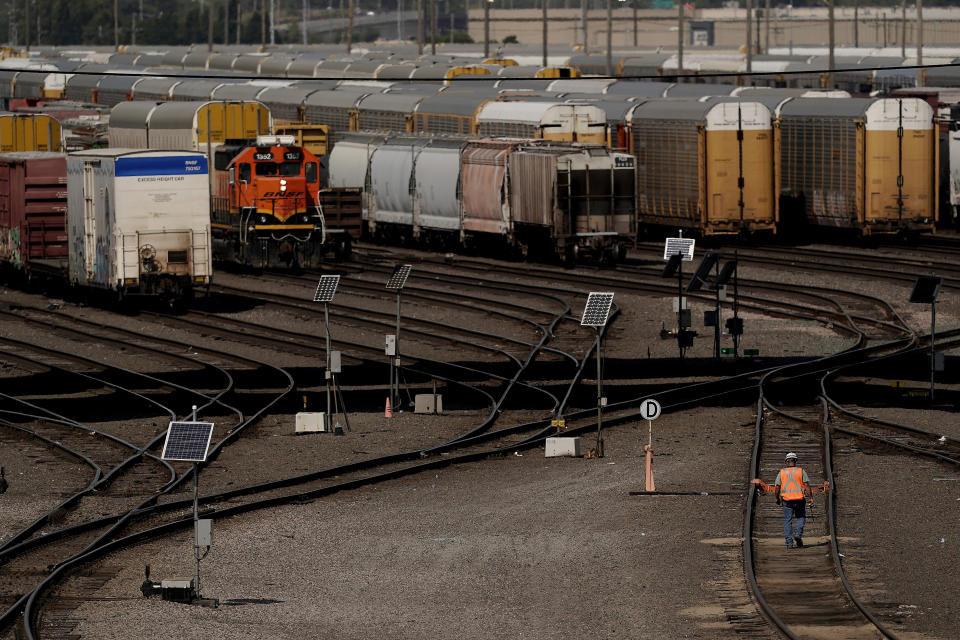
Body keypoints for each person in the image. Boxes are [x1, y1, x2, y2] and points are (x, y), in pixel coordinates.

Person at [751, 452, 828, 549]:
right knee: (801, 517)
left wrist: (777, 499)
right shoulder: (801, 471)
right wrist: (811, 497)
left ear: (786, 462)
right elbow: (807, 486)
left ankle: (789, 543)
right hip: (799, 499)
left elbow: (777, 487)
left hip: (787, 501)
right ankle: (798, 534)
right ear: (795, 461)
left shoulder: (782, 472)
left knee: (788, 521)